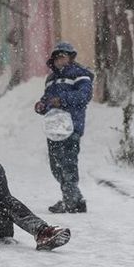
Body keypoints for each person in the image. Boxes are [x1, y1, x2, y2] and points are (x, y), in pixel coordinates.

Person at [35, 41, 94, 213]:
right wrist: (42, 105)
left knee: (68, 164)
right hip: (54, 128)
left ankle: (70, 201)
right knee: (56, 166)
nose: (60, 60)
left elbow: (84, 95)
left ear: (70, 57)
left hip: (71, 126)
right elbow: (47, 99)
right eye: (57, 57)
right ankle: (76, 199)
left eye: (63, 56)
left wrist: (63, 100)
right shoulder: (51, 79)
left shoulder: (80, 74)